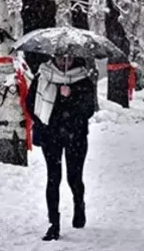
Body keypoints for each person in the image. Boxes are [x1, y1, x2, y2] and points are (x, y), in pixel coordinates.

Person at [26, 54, 97, 241]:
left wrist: (71, 96)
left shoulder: (83, 80)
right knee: (53, 178)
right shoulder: (43, 77)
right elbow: (30, 103)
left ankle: (78, 205)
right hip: (52, 137)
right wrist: (42, 124)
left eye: (68, 59)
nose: (63, 62)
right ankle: (53, 224)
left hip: (76, 137)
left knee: (74, 177)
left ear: (75, 59)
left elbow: (89, 109)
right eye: (60, 58)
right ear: (53, 58)